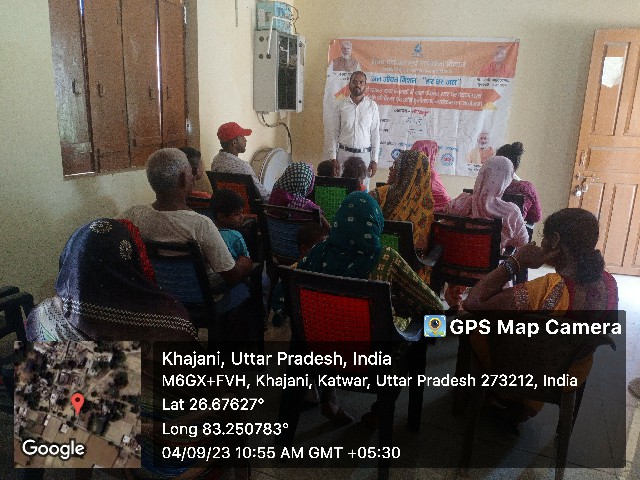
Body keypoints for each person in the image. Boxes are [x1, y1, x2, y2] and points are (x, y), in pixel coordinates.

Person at [296, 192, 444, 425]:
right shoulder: (385, 258)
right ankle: (382, 409)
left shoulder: (317, 252)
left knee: (332, 319)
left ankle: (329, 397)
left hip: (318, 350)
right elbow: (434, 303)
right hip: (370, 359)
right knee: (428, 323)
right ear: (376, 223)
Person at [463, 208, 618, 424]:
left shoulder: (550, 287)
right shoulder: (609, 283)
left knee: (471, 322)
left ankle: (497, 394)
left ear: (555, 240)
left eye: (544, 237)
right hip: (572, 372)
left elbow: (473, 302)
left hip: (534, 373)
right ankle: (520, 404)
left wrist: (515, 262)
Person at [121, 148, 253, 312]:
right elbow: (231, 275)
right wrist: (246, 262)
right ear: (184, 178)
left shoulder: (133, 215)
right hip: (205, 305)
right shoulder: (201, 225)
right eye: (191, 171)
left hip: (162, 301)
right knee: (251, 285)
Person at [442, 156, 529, 311]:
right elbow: (523, 242)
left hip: (455, 268)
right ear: (506, 180)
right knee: (505, 262)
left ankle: (453, 305)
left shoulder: (459, 203)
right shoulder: (510, 212)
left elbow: (445, 226)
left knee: (465, 252)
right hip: (489, 273)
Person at [369, 150, 435, 252]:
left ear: (406, 172)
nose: (390, 168)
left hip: (377, 253)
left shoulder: (381, 193)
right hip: (408, 260)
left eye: (396, 166)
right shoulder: (426, 205)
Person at [326, 71, 380, 189]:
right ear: (349, 84)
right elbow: (334, 132)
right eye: (354, 82)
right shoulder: (340, 104)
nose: (357, 85)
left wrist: (374, 159)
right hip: (343, 154)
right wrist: (333, 158)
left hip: (364, 156)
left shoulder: (372, 106)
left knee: (362, 189)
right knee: (342, 188)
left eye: (361, 82)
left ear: (365, 85)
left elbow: (375, 134)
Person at [210, 121, 270, 201]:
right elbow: (264, 196)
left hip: (225, 207)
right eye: (242, 137)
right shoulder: (243, 166)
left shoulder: (216, 162)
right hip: (246, 208)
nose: (245, 140)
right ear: (234, 143)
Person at [269, 163, 331, 232]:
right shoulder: (308, 207)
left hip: (274, 237)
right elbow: (328, 229)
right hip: (297, 238)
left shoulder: (274, 195)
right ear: (306, 183)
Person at [497, 142, 542, 226]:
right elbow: (536, 217)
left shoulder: (485, 185)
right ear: (516, 165)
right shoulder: (526, 188)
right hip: (513, 231)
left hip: (484, 232)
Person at [411, 140, 451, 212]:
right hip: (429, 215)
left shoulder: (405, 171)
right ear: (429, 154)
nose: (436, 156)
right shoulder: (431, 174)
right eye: (435, 153)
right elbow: (445, 201)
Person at [210, 188, 250, 260]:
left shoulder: (207, 231)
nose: (242, 217)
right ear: (221, 217)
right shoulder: (235, 236)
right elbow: (246, 259)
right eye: (237, 214)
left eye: (241, 213)